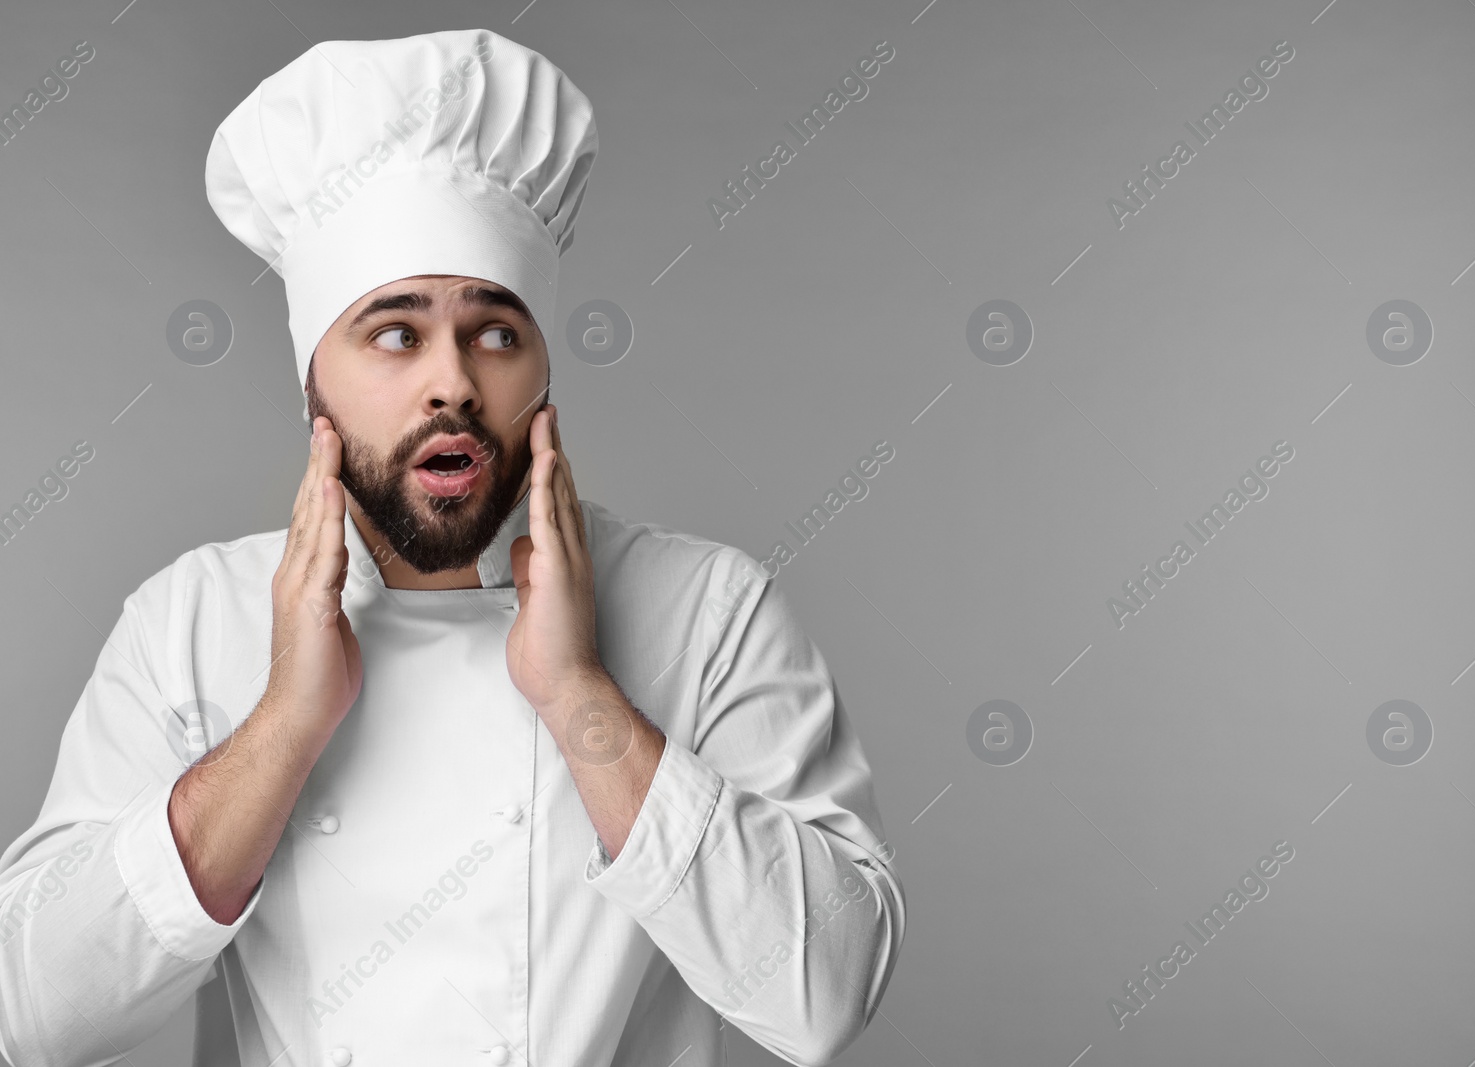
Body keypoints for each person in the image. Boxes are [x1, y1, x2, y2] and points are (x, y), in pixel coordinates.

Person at [0, 28, 905, 1067]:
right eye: (394, 333)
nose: (453, 383)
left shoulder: (705, 608)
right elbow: (32, 1012)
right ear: (314, 387)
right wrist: (285, 724)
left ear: (543, 375)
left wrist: (578, 696)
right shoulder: (191, 619)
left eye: (496, 332)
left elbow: (826, 996)